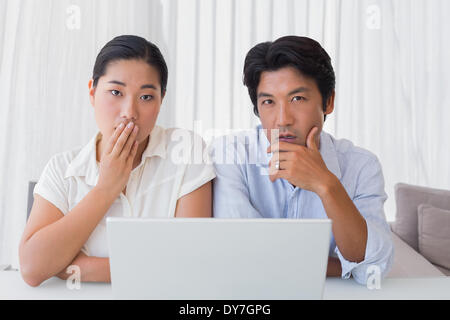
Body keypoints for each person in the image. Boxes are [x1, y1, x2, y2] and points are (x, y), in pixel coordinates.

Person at [19, 35, 215, 286]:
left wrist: (69, 266)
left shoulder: (186, 151)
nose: (129, 113)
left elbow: (191, 262)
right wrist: (106, 188)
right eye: (115, 92)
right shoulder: (62, 168)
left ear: (161, 99)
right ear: (92, 92)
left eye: (146, 97)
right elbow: (33, 268)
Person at [211, 36, 393, 285]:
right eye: (268, 102)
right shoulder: (231, 156)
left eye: (297, 99)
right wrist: (341, 266)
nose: (282, 119)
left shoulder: (361, 166)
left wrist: (325, 185)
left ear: (328, 102)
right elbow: (240, 254)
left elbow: (373, 269)